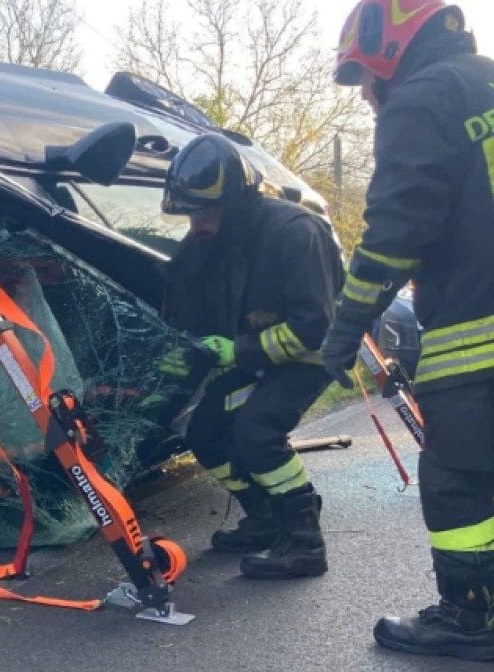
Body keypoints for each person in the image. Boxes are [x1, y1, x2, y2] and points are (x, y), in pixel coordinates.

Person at [324, 0, 494, 661]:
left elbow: (395, 235)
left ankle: (469, 619)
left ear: (390, 48)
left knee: (456, 478)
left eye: (363, 76)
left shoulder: (422, 100)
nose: (366, 94)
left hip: (476, 336)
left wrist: (345, 330)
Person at [161, 133, 344, 580]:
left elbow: (312, 327)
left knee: (257, 430)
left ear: (236, 204)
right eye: (190, 215)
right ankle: (262, 517)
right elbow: (184, 306)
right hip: (249, 359)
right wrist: (178, 350)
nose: (195, 226)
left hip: (307, 358)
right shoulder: (206, 244)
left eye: (203, 214)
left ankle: (304, 543)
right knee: (204, 433)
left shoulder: (295, 233)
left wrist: (239, 350)